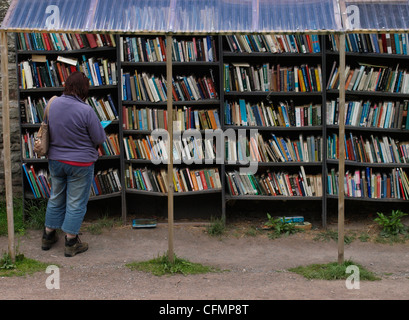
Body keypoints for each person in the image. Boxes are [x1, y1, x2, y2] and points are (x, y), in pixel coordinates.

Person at [41, 71, 106, 257]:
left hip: (56, 160)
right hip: (80, 163)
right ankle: (70, 242)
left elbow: (48, 128)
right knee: (76, 202)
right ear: (83, 89)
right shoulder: (86, 110)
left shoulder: (51, 104)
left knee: (56, 197)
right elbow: (99, 137)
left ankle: (48, 236)